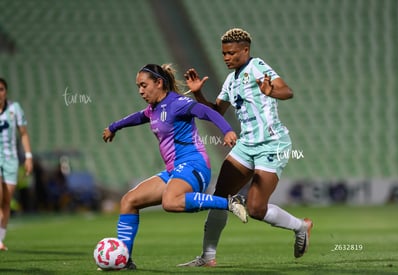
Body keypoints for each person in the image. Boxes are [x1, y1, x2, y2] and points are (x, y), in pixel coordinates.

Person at [178, 28, 313, 267]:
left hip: (272, 144)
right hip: (246, 145)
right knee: (220, 197)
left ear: (246, 50)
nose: (226, 58)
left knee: (255, 209)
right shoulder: (231, 80)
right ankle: (207, 257)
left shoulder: (258, 66)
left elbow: (287, 91)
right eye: (223, 54)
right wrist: (199, 94)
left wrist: (272, 91)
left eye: (231, 53)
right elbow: (216, 112)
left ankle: (301, 226)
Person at [102, 63, 247, 270]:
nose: (140, 91)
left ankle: (231, 202)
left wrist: (227, 130)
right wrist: (113, 127)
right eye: (138, 86)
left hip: (194, 165)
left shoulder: (177, 103)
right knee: (129, 201)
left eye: (143, 85)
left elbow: (206, 111)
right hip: (174, 170)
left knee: (170, 202)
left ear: (159, 83)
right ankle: (123, 260)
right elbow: (137, 117)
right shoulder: (153, 109)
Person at [0, 78, 33, 251]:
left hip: (11, 160)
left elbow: (24, 134)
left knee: (6, 201)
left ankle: (0, 239)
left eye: (1, 89)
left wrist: (28, 157)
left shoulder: (14, 109)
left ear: (6, 91)